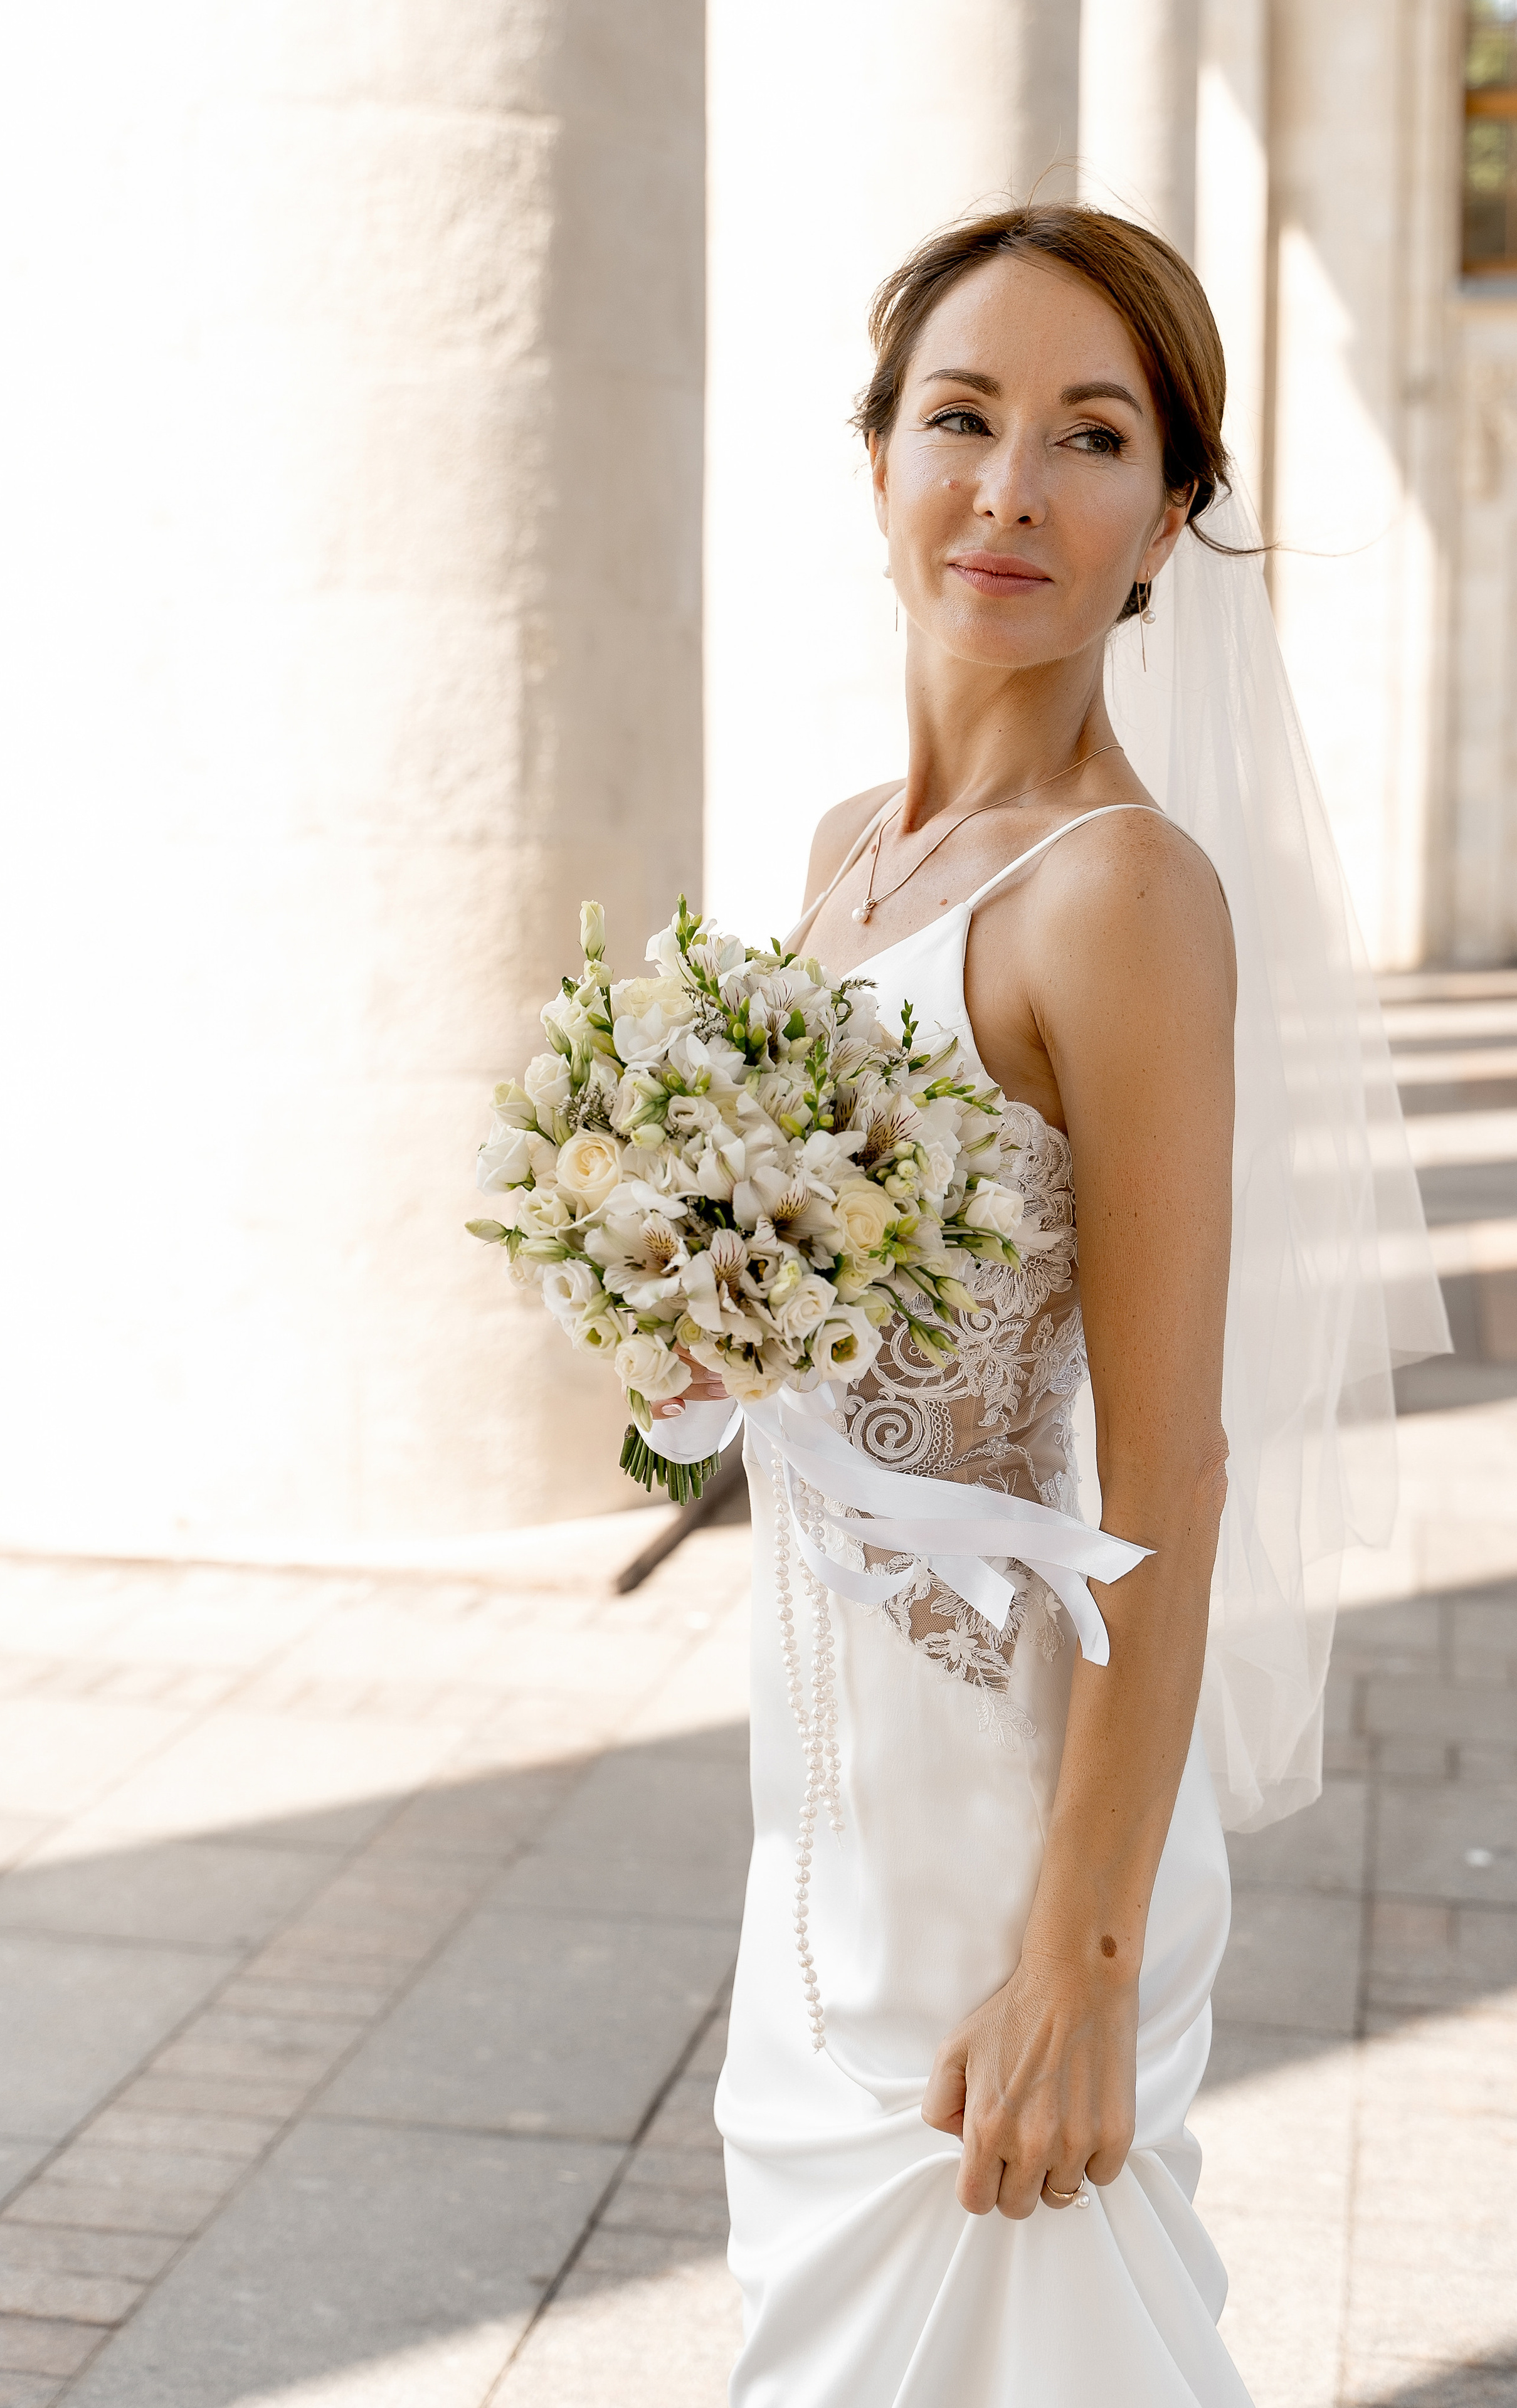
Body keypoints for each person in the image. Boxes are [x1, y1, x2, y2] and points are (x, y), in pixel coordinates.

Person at [650, 204, 1446, 2407]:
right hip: (826, 1789)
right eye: (962, 417)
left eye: (1092, 438)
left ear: (1167, 518)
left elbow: (1169, 1453)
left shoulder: (1122, 896)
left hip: (1015, 1814)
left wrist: (1081, 1961)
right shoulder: (844, 857)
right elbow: (857, 1325)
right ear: (880, 455)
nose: (1010, 488)